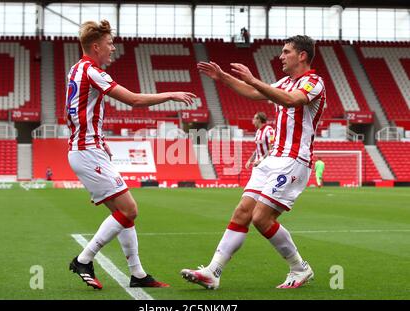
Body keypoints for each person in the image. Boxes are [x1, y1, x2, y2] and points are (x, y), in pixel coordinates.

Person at [181, 35, 326, 289]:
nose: (281, 56)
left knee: (261, 218)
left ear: (302, 55)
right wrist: (223, 77)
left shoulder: (314, 82)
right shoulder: (285, 81)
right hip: (272, 159)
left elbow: (292, 100)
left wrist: (253, 79)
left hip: (293, 160)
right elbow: (253, 91)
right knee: (242, 212)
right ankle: (213, 271)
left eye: (286, 52)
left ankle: (299, 268)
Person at [67, 20, 196, 290]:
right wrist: (170, 94)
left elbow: (76, 112)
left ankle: (137, 274)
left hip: (88, 149)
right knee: (129, 209)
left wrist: (99, 141)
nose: (113, 48)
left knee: (123, 215)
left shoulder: (76, 69)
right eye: (109, 44)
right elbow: (134, 100)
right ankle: (84, 259)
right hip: (88, 152)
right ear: (95, 46)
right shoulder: (92, 71)